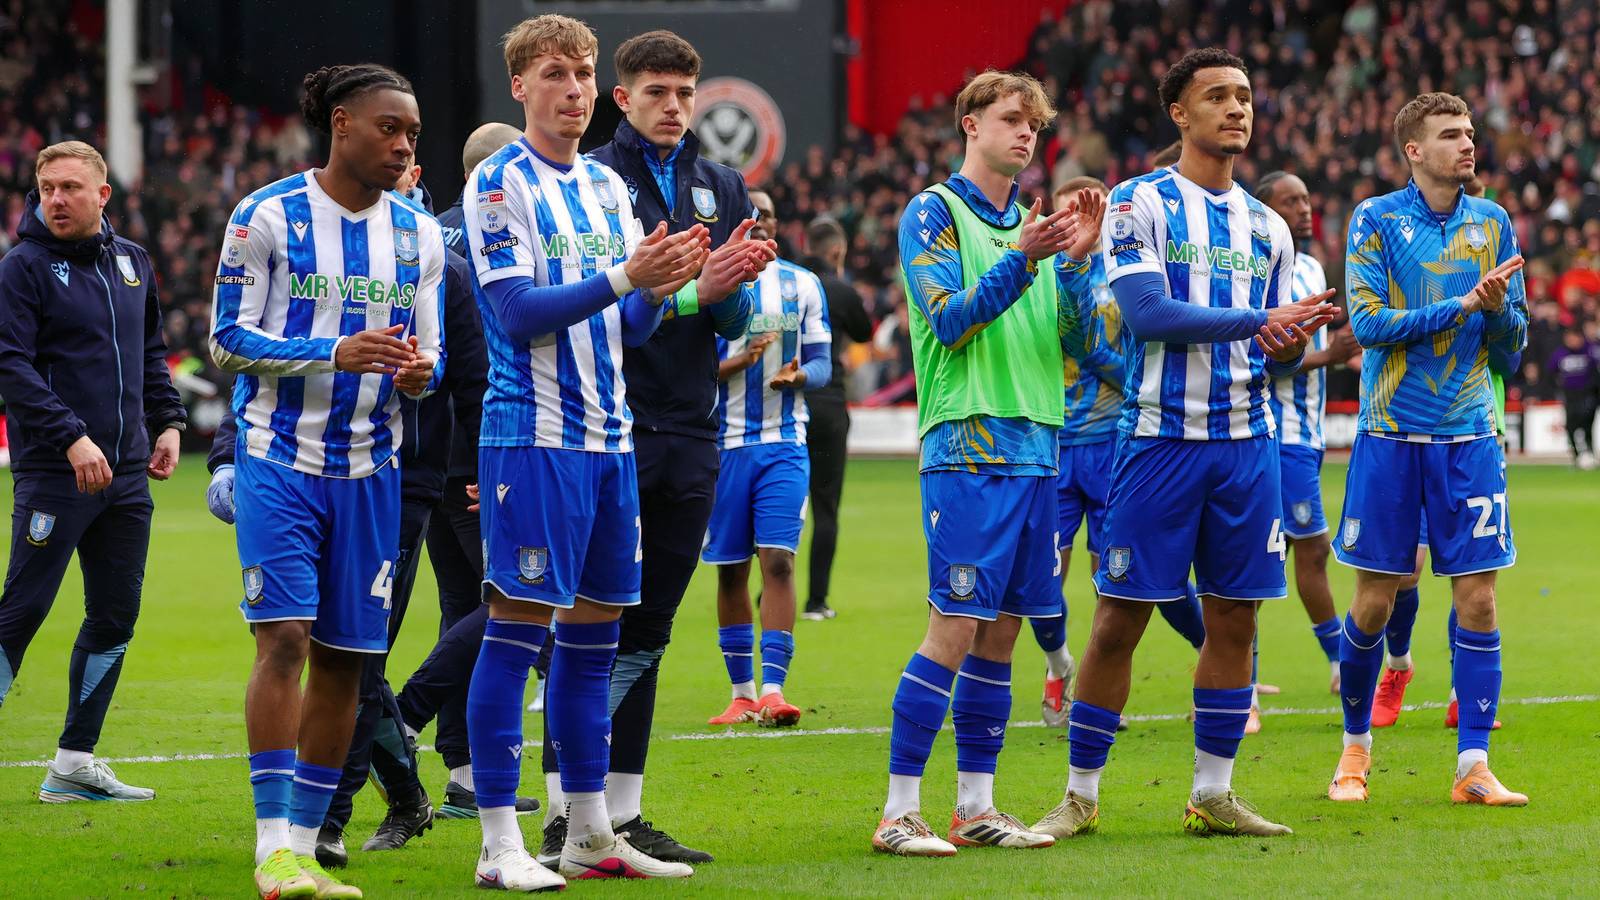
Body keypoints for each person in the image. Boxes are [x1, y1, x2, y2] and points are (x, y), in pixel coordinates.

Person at [1037, 48, 1334, 842]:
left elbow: (1282, 350)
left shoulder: (1268, 226)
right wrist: (1261, 324)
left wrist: (1293, 341)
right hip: (1158, 441)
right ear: (1180, 113)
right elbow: (1145, 312)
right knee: (1117, 619)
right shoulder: (1141, 202)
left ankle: (1213, 792)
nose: (1236, 109)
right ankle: (1080, 794)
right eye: (1217, 97)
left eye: (1243, 96)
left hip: (1247, 447)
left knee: (1236, 622)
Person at [461, 14, 715, 888]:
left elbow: (630, 326)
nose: (573, 90)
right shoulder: (499, 185)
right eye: (556, 75)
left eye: (581, 74)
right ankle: (499, 844)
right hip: (533, 438)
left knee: (596, 641)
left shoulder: (610, 192)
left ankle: (590, 834)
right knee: (515, 634)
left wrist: (672, 283)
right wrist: (624, 278)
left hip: (612, 442)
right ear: (522, 87)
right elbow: (516, 314)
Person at [211, 63, 445, 900]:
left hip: (373, 471)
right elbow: (225, 341)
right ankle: (273, 843)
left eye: (412, 133)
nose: (404, 145)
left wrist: (419, 372)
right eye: (391, 129)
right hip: (280, 459)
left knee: (348, 659)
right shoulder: (265, 216)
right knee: (284, 641)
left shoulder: (420, 236)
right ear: (342, 123)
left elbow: (432, 350)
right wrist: (328, 352)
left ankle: (305, 845)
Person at [549, 27, 774, 868]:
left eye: (686, 93)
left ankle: (624, 812)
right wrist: (695, 291)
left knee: (651, 626)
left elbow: (737, 322)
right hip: (606, 425)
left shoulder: (721, 184)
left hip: (692, 426)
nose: (675, 107)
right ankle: (567, 808)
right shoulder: (592, 181)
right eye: (657, 93)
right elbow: (608, 312)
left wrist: (729, 292)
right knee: (586, 626)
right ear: (623, 98)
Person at [872, 69, 1106, 858]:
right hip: (968, 439)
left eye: (1034, 125)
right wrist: (1027, 259)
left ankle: (975, 805)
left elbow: (1081, 346)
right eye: (1011, 119)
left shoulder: (1038, 228)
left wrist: (1075, 261)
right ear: (970, 123)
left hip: (1041, 444)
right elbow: (950, 319)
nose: (1026, 134)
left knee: (1004, 632)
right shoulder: (933, 213)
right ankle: (899, 811)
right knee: (956, 624)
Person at [1327, 91, 1528, 807]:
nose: (1468, 144)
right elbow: (1370, 324)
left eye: (1471, 132)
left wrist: (1500, 314)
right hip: (1391, 440)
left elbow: (1514, 348)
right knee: (1376, 605)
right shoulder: (1376, 220)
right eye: (1451, 135)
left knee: (1478, 602)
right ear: (1414, 150)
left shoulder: (1493, 223)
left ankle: (1473, 765)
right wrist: (1465, 305)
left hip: (1470, 438)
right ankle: (1355, 748)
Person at [0, 140, 186, 803]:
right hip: (56, 474)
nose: (55, 198)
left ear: (102, 195)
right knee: (19, 614)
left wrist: (168, 423)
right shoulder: (21, 267)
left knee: (114, 618)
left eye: (70, 187)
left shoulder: (132, 263)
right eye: (46, 187)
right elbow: (10, 366)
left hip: (128, 479)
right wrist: (72, 436)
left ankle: (74, 764)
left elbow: (152, 352)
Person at [1030, 175, 1207, 732]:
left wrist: (1112, 368)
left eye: (1090, 211)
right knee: (1040, 581)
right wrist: (1112, 366)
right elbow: (1084, 347)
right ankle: (1060, 665)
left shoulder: (1130, 275)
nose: (1078, 221)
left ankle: (1226, 658)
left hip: (1117, 444)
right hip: (1053, 442)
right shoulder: (1036, 275)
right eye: (1068, 213)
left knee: (1134, 575)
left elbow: (1127, 347)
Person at [705, 189, 832, 727]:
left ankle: (775, 691)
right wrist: (741, 362)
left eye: (769, 217)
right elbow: (696, 373)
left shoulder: (803, 284)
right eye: (749, 217)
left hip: (783, 443)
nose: (760, 225)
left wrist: (799, 376)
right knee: (731, 572)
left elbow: (825, 364)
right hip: (723, 445)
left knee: (777, 560)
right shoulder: (710, 285)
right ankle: (741, 692)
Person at [1257, 170, 1359, 699]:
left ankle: (1333, 661)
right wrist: (1328, 356)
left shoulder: (1314, 265)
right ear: (1266, 209)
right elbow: (1262, 361)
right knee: (1292, 551)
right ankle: (1337, 661)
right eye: (1290, 200)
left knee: (1303, 552)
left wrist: (1348, 354)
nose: (1304, 208)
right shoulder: (1261, 265)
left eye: (1306, 198)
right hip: (1278, 435)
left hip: (1308, 435)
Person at [798, 216, 871, 621]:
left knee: (780, 501)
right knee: (826, 505)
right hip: (828, 404)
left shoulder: (787, 282)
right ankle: (815, 601)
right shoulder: (840, 290)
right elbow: (864, 332)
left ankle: (769, 590)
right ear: (837, 253)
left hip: (787, 401)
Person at [1550, 327, 1598, 469]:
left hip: (1588, 395)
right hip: (1570, 396)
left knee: (1587, 425)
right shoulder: (1560, 353)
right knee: (1571, 426)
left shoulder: (1589, 351)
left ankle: (1590, 453)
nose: (1571, 341)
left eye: (1574, 337)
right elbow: (1551, 372)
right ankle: (1577, 455)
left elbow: (1595, 373)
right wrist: (1558, 388)